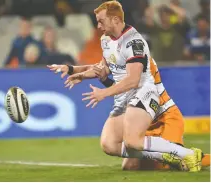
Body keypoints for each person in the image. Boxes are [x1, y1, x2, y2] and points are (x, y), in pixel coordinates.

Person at [48, 1, 202, 172]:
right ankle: (167, 155)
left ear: (115, 20)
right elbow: (103, 68)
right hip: (125, 98)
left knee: (132, 142)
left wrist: (104, 93)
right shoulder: (106, 40)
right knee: (109, 145)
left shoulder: (134, 42)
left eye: (101, 21)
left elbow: (133, 80)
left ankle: (183, 153)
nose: (98, 26)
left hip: (143, 93)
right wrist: (74, 71)